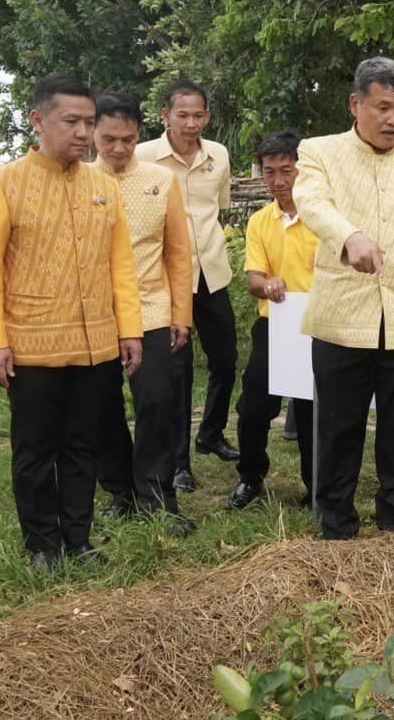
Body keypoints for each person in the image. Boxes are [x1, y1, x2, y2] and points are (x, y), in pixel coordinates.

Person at [0, 76, 144, 570]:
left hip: (96, 347)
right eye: (72, 122)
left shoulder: (104, 187)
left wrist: (128, 331)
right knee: (34, 452)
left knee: (82, 447)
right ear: (38, 121)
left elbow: (121, 267)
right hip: (30, 346)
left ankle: (79, 539)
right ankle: (42, 546)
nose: (83, 133)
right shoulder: (1, 183)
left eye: (88, 122)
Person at [293, 57, 394, 540]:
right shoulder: (318, 151)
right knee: (339, 427)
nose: (393, 120)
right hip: (342, 316)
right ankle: (337, 522)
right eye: (383, 107)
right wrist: (349, 236)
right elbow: (312, 203)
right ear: (355, 104)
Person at [90, 93, 195, 535]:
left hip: (152, 310)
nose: (118, 149)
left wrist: (181, 314)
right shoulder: (78, 180)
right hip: (96, 315)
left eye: (128, 140)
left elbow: (177, 251)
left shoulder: (160, 179)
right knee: (101, 408)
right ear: (92, 133)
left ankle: (156, 494)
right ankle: (120, 491)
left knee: (156, 403)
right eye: (109, 139)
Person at [135, 79, 238, 494]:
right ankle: (180, 463)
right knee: (177, 371)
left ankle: (210, 433)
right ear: (165, 116)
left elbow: (220, 209)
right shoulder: (144, 156)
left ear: (207, 116)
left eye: (199, 115)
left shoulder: (220, 156)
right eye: (183, 115)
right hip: (166, 278)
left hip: (212, 273)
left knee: (227, 360)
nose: (191, 123)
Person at [228, 131, 317, 510]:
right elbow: (253, 280)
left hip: (318, 326)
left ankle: (318, 488)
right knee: (253, 408)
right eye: (270, 173)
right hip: (275, 326)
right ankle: (250, 479)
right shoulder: (260, 222)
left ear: (302, 170)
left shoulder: (322, 216)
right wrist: (268, 285)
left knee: (315, 412)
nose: (279, 181)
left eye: (287, 170)